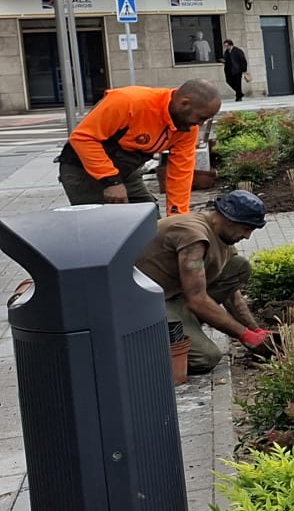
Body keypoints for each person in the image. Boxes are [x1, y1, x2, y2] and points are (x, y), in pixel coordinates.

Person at [134, 190, 274, 374]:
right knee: (206, 357)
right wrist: (243, 334)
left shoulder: (221, 235)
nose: (247, 236)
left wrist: (256, 332)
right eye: (246, 229)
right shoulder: (193, 236)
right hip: (145, 303)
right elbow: (197, 299)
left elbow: (232, 295)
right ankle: (140, 348)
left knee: (238, 266)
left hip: (175, 295)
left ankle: (186, 326)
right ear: (228, 219)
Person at [58, 79, 222, 216]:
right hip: (82, 170)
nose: (200, 125)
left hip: (126, 171)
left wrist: (177, 216)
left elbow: (181, 171)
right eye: (201, 117)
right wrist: (111, 181)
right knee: (104, 227)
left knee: (149, 220)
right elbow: (82, 138)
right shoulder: (129, 101)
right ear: (184, 104)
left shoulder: (187, 127)